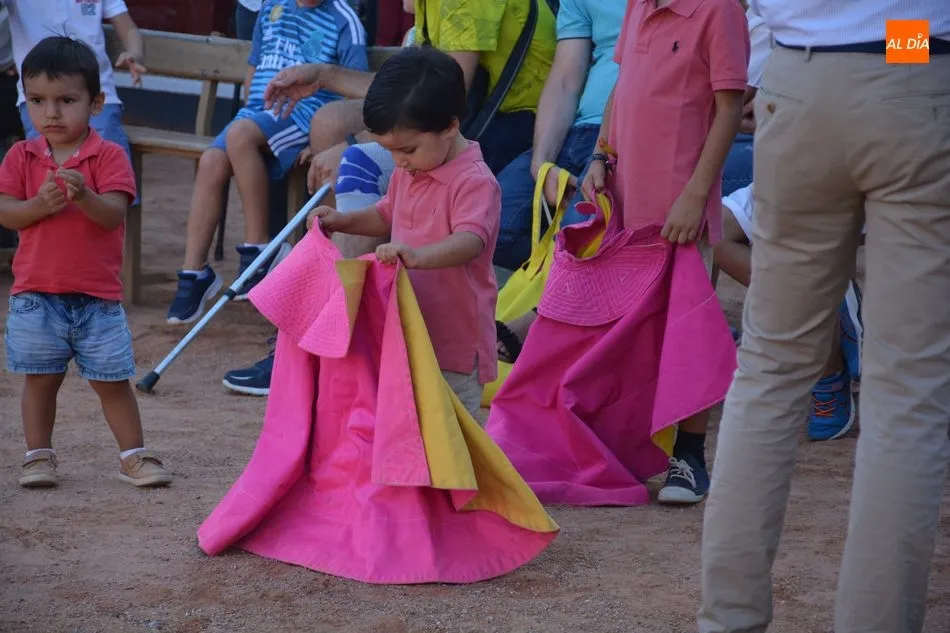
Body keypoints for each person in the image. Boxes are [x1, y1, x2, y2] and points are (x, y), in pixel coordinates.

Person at [698, 3, 950, 632]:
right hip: (914, 67)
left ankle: (727, 621)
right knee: (906, 390)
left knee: (768, 372)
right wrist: (902, 46)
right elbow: (891, 31)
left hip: (798, 76)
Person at [573, 0, 747, 505]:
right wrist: (602, 154)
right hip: (627, 199)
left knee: (686, 330)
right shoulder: (639, 6)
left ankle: (689, 456)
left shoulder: (718, 10)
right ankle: (632, 447)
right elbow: (622, 85)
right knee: (630, 328)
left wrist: (695, 195)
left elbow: (729, 108)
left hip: (680, 206)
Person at [0, 37, 172, 489]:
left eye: (66, 100)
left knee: (113, 382)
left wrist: (84, 196)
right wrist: (38, 206)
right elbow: (6, 212)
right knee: (40, 380)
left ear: (95, 103)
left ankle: (133, 456)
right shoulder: (20, 155)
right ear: (24, 101)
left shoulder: (109, 155)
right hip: (36, 295)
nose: (51, 113)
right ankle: (38, 456)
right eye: (38, 101)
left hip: (98, 299)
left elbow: (114, 214)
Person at [308, 46, 500, 416]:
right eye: (391, 151)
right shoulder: (412, 168)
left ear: (450, 127)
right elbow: (386, 214)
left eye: (407, 149)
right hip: (410, 327)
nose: (398, 161)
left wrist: (417, 257)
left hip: (456, 343)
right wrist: (342, 220)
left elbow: (471, 241)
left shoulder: (475, 180)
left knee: (452, 431)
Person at [166, 0, 369, 325]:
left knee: (239, 137)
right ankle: (195, 273)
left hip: (301, 116)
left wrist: (321, 140)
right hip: (256, 116)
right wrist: (251, 112)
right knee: (211, 160)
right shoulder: (272, 7)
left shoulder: (344, 19)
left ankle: (261, 248)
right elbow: (255, 67)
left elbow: (355, 93)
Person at [717, 184, 863, 441]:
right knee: (712, 229)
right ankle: (834, 311)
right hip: (792, 172)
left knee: (810, 233)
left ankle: (828, 370)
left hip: (875, 177)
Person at [491, 0, 622, 272]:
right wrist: (541, 164)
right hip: (579, 129)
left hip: (626, 136)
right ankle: (565, 274)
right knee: (487, 227)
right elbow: (564, 79)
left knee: (577, 237)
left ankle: (575, 275)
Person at [3, 0, 145, 167]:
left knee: (110, 164)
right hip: (40, 97)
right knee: (43, 167)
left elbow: (128, 28)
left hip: (97, 94)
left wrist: (134, 54)